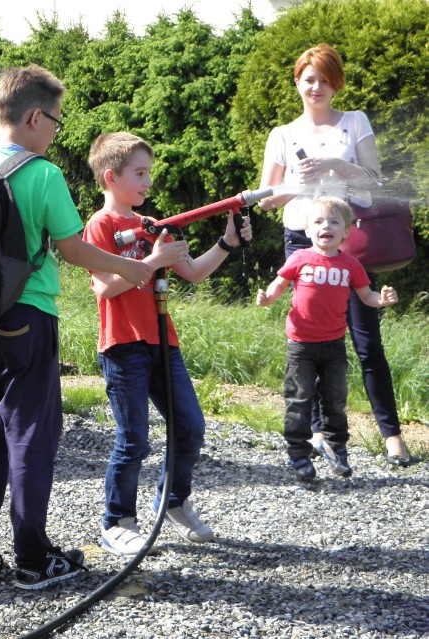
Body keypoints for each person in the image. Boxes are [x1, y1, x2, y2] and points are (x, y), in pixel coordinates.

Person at [0, 65, 155, 591]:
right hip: (27, 315)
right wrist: (134, 269)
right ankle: (33, 559)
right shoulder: (41, 173)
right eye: (57, 123)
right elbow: (70, 247)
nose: (56, 133)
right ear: (35, 116)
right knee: (31, 437)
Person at [82, 132, 251, 557]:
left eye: (149, 174)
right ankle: (117, 522)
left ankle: (172, 501)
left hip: (162, 342)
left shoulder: (150, 224)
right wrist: (152, 261)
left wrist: (228, 241)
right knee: (133, 438)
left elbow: (193, 272)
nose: (148, 183)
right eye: (139, 174)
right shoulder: (100, 226)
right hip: (123, 345)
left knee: (191, 426)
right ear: (111, 177)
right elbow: (105, 289)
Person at [257, 43, 414, 467]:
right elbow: (266, 199)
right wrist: (296, 181)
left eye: (325, 80)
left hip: (349, 244)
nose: (317, 87)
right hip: (300, 242)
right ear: (297, 83)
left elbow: (377, 182)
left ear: (336, 84)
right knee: (307, 341)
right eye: (309, 79)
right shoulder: (283, 135)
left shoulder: (355, 122)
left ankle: (392, 436)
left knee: (366, 340)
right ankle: (314, 435)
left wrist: (339, 168)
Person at [257, 197, 398, 481]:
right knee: (299, 398)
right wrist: (268, 298)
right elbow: (280, 283)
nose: (326, 226)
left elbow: (366, 296)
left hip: (334, 345)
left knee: (335, 400)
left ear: (346, 231)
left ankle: (337, 449)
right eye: (319, 222)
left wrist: (381, 301)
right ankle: (298, 452)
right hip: (301, 345)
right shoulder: (299, 258)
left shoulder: (351, 264)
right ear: (308, 231)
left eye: (334, 222)